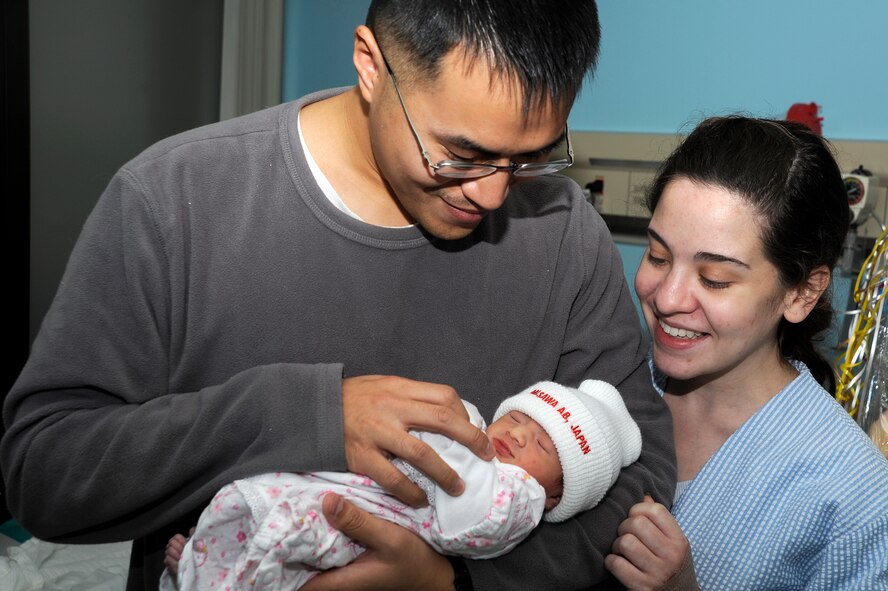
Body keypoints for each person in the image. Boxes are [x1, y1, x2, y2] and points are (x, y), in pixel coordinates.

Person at [1, 1, 676, 589]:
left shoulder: (563, 232)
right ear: (370, 65)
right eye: (460, 155)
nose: (495, 193)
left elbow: (641, 469)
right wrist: (308, 417)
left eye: (529, 156)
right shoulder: (173, 201)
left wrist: (463, 578)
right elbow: (45, 471)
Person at [603, 116, 888, 590]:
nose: (667, 297)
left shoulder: (853, 498)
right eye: (657, 256)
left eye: (715, 279)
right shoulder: (606, 383)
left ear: (802, 293)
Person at [159, 380, 642, 589]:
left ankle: (219, 575)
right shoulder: (478, 446)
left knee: (294, 543)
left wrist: (453, 439)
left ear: (555, 495)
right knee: (258, 497)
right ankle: (206, 564)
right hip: (348, 490)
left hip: (361, 533)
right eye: (518, 417)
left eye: (543, 444)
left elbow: (471, 524)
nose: (517, 434)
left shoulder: (519, 500)